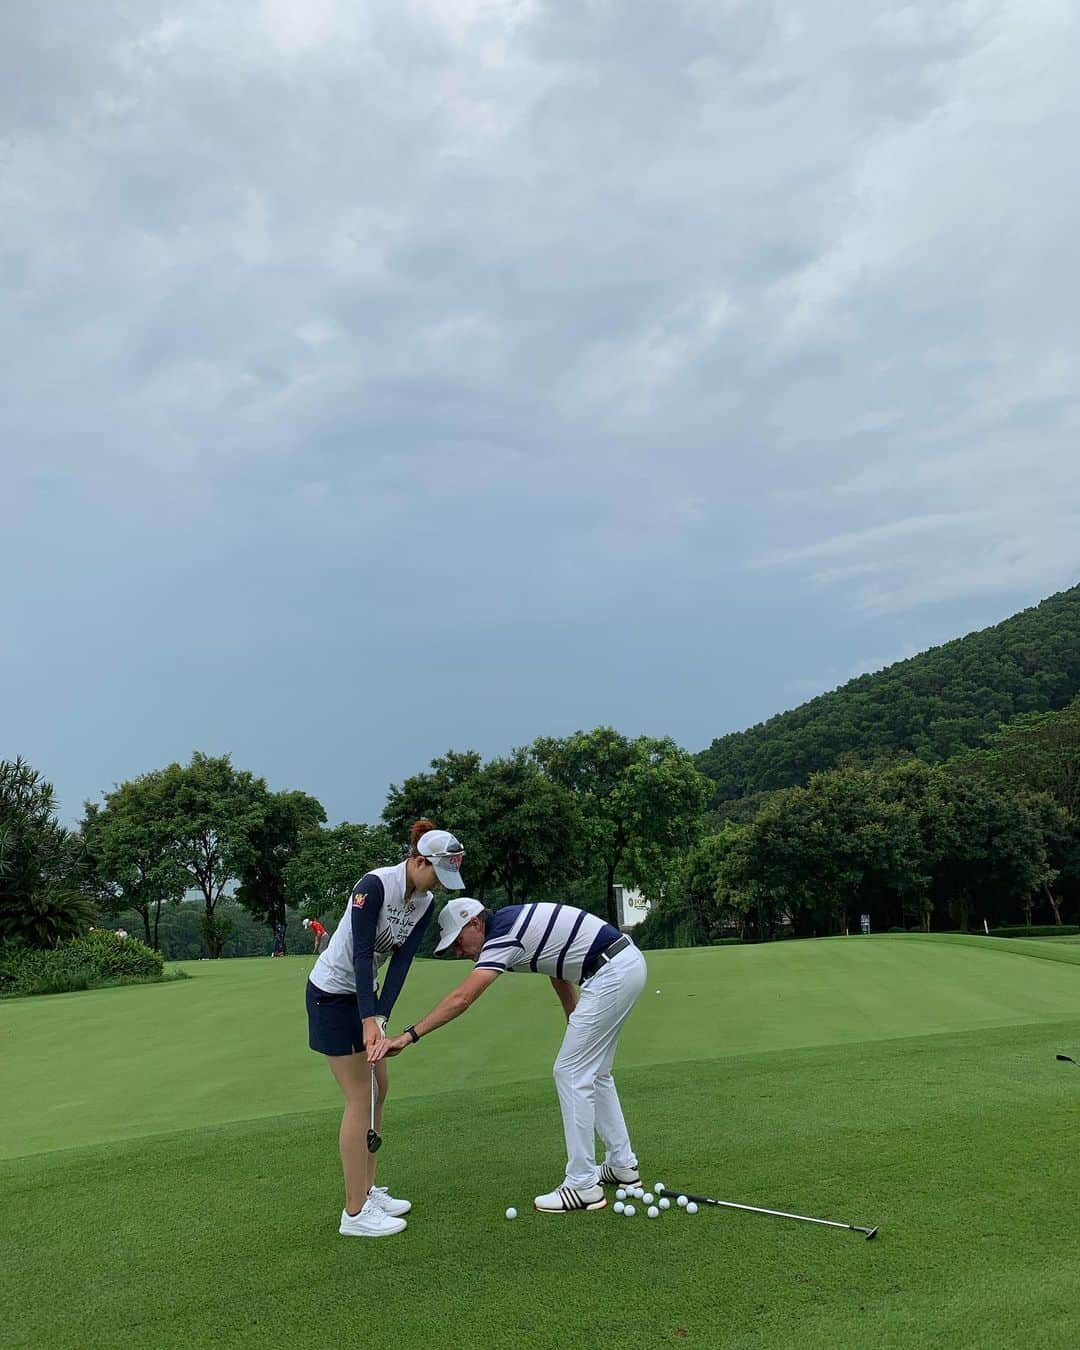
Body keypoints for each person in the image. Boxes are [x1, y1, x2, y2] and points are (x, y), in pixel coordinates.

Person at [370, 897, 646, 1213]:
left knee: (570, 1072)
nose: (459, 952)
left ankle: (582, 1185)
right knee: (594, 1073)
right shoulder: (511, 926)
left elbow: (462, 999)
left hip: (611, 974)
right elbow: (556, 970)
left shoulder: (502, 935)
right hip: (623, 966)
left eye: (458, 942)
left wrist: (408, 1036)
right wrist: (575, 1020)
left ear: (474, 922)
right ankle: (622, 1164)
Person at [306, 820, 465, 1238]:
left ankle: (368, 1188)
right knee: (360, 1095)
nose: (440, 885)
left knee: (381, 1086)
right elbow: (361, 955)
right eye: (436, 872)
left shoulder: (424, 902)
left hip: (364, 1000)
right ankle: (354, 1213)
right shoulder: (373, 886)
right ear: (417, 860)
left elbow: (401, 963)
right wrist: (366, 1020)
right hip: (332, 996)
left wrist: (381, 1019)